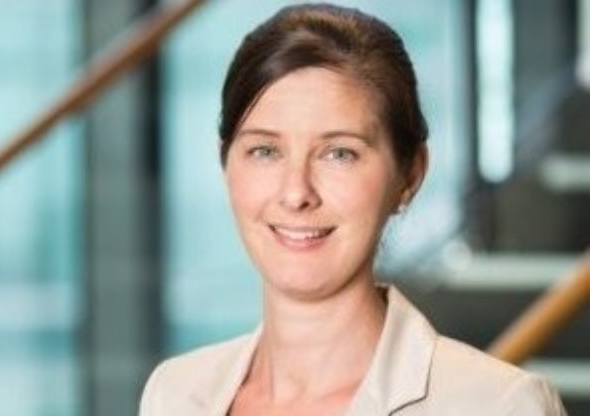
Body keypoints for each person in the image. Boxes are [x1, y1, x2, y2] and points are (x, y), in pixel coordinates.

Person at [139, 3, 567, 415]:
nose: (296, 193)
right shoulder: (175, 393)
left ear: (410, 175)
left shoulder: (498, 406)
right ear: (225, 162)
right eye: (265, 150)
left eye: (339, 153)